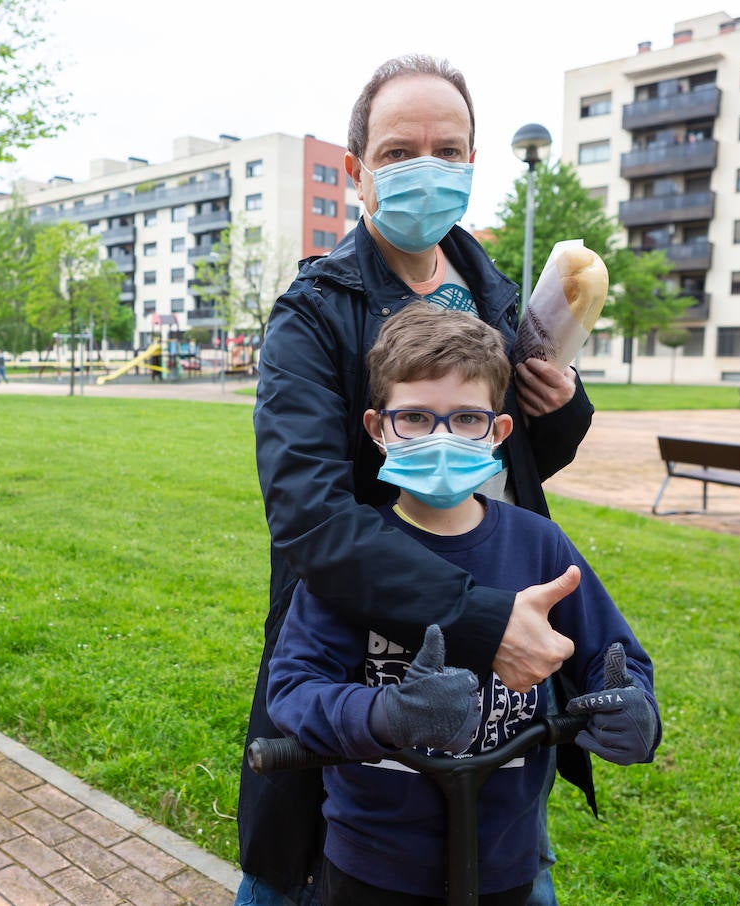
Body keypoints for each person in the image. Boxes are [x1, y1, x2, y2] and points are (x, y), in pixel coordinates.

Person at [238, 54, 596, 906]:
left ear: (473, 164)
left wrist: (561, 409)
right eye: (399, 152)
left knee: (499, 851)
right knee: (316, 869)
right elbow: (311, 518)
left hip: (501, 661)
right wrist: (478, 621)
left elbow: (502, 462)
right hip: (360, 651)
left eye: (448, 149)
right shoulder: (315, 315)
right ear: (358, 171)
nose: (425, 168)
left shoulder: (495, 296)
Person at [265, 306, 660, 905]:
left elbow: (616, 658)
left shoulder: (538, 544)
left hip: (504, 858)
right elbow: (292, 693)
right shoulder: (357, 560)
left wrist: (635, 709)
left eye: (467, 418)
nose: (441, 437)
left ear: (499, 431)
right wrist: (387, 715)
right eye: (415, 418)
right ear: (377, 428)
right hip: (371, 863)